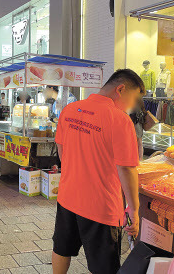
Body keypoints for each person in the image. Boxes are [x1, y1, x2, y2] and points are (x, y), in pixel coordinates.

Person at [52, 69, 143, 274]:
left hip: (67, 197)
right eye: (133, 99)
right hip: (101, 207)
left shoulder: (70, 110)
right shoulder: (119, 120)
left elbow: (62, 151)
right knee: (105, 266)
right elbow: (127, 169)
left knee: (62, 248)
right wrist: (134, 210)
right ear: (120, 89)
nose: (131, 106)